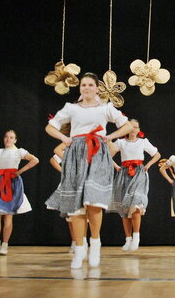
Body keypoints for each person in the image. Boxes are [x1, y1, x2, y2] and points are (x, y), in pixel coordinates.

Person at [45, 72, 133, 269]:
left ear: (97, 88)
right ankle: (79, 249)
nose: (86, 88)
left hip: (97, 153)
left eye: (90, 85)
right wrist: (64, 138)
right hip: (75, 153)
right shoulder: (71, 108)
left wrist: (109, 136)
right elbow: (50, 127)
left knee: (93, 201)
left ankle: (95, 244)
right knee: (76, 205)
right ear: (80, 88)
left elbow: (126, 126)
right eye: (83, 85)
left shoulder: (105, 108)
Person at [0, 130, 39, 255]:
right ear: (3, 138)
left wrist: (19, 172)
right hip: (0, 182)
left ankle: (5, 245)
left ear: (15, 140)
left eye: (11, 137)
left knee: (8, 214)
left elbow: (35, 160)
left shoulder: (19, 152)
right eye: (6, 137)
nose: (8, 139)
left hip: (12, 182)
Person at [109, 119, 161, 252]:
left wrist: (148, 165)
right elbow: (108, 154)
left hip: (138, 173)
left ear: (139, 129)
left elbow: (157, 154)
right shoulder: (120, 142)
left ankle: (136, 237)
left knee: (136, 204)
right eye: (130, 127)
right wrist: (116, 166)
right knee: (125, 209)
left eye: (136, 127)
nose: (133, 129)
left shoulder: (143, 142)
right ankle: (128, 239)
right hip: (124, 173)